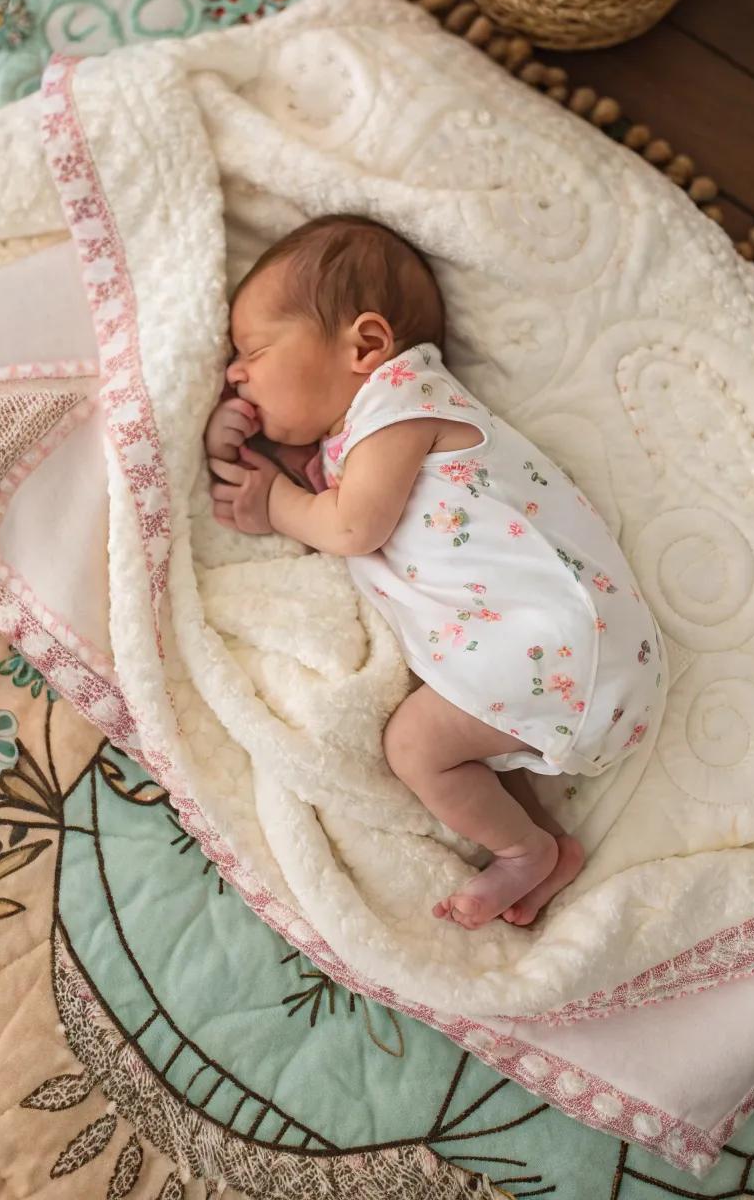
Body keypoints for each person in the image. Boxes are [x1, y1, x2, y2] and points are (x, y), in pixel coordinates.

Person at [206, 215, 663, 929]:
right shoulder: (364, 438)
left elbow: (351, 525)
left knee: (414, 745)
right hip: (568, 650)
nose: (234, 371)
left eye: (254, 350)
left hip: (558, 640)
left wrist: (274, 502)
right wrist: (255, 455)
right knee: (463, 744)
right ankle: (546, 845)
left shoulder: (403, 402)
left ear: (366, 345)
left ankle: (520, 853)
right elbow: (329, 497)